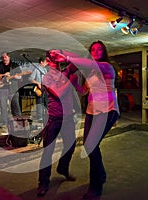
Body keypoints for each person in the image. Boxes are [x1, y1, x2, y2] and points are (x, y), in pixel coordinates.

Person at [51, 40, 120, 199]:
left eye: (99, 49)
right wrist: (75, 84)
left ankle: (96, 186)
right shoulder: (90, 73)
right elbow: (84, 92)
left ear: (104, 52)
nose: (96, 51)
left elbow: (84, 61)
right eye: (93, 49)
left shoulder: (106, 67)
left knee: (91, 146)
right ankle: (100, 176)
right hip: (92, 111)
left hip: (107, 110)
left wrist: (66, 57)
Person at [36, 51, 85, 197]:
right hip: (54, 119)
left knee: (70, 147)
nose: (55, 62)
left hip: (68, 118)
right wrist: (69, 80)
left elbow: (79, 60)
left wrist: (65, 56)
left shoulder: (67, 72)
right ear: (47, 61)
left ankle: (62, 168)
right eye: (52, 59)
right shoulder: (47, 77)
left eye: (56, 59)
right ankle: (43, 183)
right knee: (48, 152)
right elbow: (57, 93)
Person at [0, 52, 23, 128]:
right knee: (3, 106)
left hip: (13, 88)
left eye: (5, 57)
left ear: (9, 57)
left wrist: (17, 77)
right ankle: (5, 122)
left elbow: (20, 76)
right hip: (2, 89)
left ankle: (19, 122)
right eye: (3, 57)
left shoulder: (15, 66)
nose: (4, 59)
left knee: (15, 105)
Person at [28, 57, 48, 122]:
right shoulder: (36, 69)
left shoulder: (45, 70)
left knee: (46, 101)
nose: (46, 63)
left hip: (45, 88)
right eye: (45, 62)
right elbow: (30, 79)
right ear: (41, 62)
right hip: (38, 88)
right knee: (39, 102)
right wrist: (37, 83)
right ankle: (40, 117)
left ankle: (48, 115)